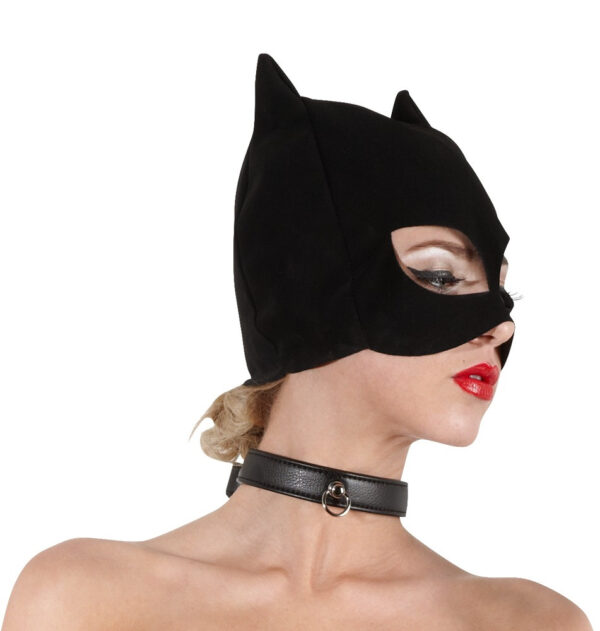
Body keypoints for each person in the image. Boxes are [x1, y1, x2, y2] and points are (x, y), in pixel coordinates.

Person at [1, 53, 592, 631]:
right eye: (440, 276)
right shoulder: (82, 599)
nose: (500, 325)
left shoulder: (531, 624)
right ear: (307, 284)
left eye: (502, 291)